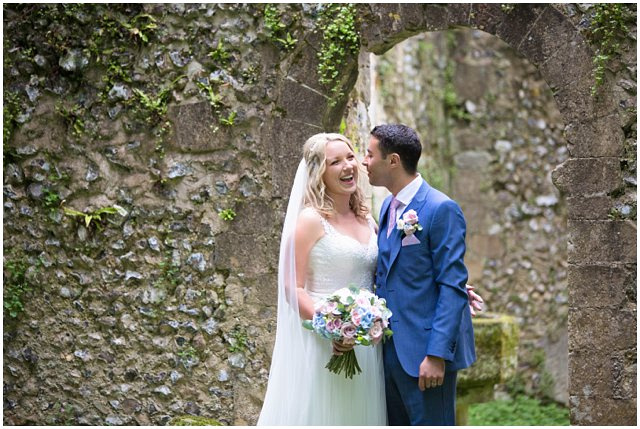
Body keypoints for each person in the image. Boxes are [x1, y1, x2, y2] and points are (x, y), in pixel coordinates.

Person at [258, 132, 482, 425]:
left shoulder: (369, 217)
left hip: (370, 349)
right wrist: (333, 327)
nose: (352, 165)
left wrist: (452, 285)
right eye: (335, 162)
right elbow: (292, 285)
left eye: (352, 156)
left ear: (392, 160)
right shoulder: (311, 220)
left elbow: (387, 268)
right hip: (329, 343)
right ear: (319, 173)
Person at [362, 124, 476, 425]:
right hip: (389, 352)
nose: (364, 162)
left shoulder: (441, 209)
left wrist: (437, 355)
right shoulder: (388, 205)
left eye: (369, 154)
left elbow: (451, 285)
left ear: (393, 161)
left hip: (425, 357)